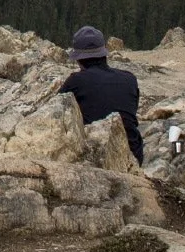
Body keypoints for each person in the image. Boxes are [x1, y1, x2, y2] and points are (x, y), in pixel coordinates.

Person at [58, 26, 142, 160]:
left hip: (98, 157)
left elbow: (56, 113)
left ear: (79, 59)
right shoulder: (129, 79)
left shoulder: (76, 81)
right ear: (104, 54)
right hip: (133, 154)